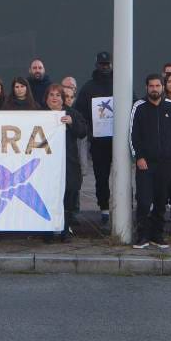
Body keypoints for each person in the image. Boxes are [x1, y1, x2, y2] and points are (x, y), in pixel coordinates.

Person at [129, 74, 171, 249]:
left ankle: (157, 235)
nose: (154, 89)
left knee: (161, 200)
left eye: (158, 85)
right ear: (147, 88)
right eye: (151, 86)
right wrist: (139, 156)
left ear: (163, 87)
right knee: (144, 200)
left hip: (166, 162)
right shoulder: (139, 107)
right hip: (146, 163)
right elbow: (133, 134)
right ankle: (142, 235)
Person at [75, 52, 115, 227]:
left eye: (107, 64)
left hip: (118, 141)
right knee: (101, 177)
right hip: (99, 143)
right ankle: (104, 209)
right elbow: (79, 113)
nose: (104, 67)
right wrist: (90, 128)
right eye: (102, 64)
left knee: (124, 176)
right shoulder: (88, 88)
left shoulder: (121, 84)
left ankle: (124, 207)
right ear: (96, 64)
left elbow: (133, 107)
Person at [47, 84, 88, 241]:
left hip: (68, 162)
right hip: (47, 165)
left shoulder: (72, 113)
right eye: (51, 95)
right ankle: (48, 231)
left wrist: (72, 122)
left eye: (58, 95)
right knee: (49, 197)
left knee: (68, 196)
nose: (55, 98)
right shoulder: (40, 114)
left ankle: (65, 230)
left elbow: (83, 132)